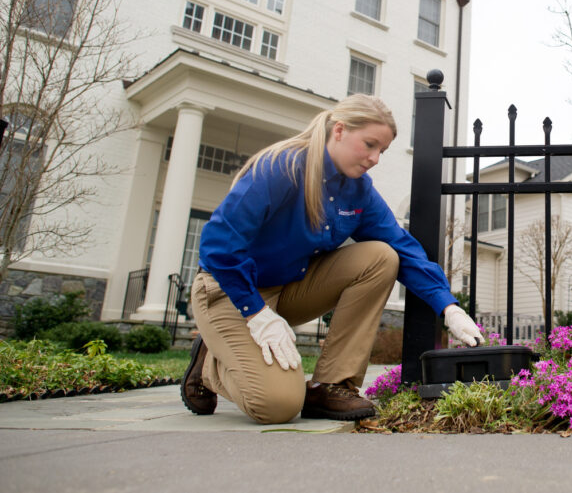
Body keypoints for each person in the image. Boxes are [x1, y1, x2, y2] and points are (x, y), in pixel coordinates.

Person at [180, 94, 484, 424]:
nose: (375, 158)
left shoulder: (358, 190)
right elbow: (217, 244)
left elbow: (401, 246)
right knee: (277, 405)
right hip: (228, 293)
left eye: (381, 150)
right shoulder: (280, 168)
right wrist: (255, 312)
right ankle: (209, 363)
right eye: (369, 144)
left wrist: (448, 307)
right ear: (338, 130)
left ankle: (332, 385)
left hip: (288, 290)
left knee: (381, 256)